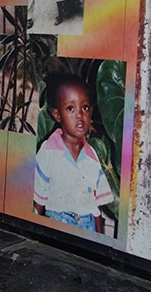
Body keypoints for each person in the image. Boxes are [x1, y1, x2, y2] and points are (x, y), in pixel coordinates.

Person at [33, 72, 115, 233]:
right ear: (57, 115)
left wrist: (99, 236)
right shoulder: (48, 151)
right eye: (70, 108)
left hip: (87, 225)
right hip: (57, 223)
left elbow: (96, 206)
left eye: (85, 108)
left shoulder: (92, 156)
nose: (80, 115)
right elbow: (38, 201)